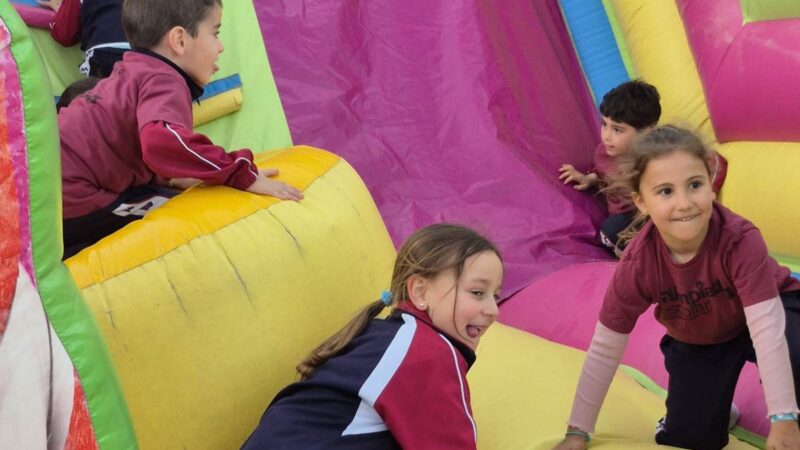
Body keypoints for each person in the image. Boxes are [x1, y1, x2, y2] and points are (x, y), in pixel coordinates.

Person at [553, 125, 800, 450]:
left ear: (711, 184)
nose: (684, 203)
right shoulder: (639, 264)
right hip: (702, 337)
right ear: (641, 202)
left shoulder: (739, 240)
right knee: (690, 438)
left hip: (772, 310)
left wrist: (784, 418)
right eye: (666, 191)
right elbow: (604, 347)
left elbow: (766, 328)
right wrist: (577, 431)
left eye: (694, 185)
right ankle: (713, 408)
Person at [59, 0, 303, 258]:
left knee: (163, 194)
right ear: (179, 40)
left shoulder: (132, 69)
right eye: (215, 33)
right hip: (73, 194)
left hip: (46, 188)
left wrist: (180, 175)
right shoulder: (166, 79)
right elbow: (160, 141)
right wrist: (239, 173)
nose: (220, 47)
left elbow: (125, 148)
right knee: (181, 212)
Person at [241, 223, 503, 449]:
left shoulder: (383, 335)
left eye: (496, 296)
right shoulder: (428, 354)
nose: (493, 310)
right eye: (477, 293)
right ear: (421, 292)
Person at [559, 80, 661, 255]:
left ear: (646, 132)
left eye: (617, 130)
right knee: (610, 231)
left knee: (613, 230)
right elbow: (603, 172)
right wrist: (588, 178)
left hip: (645, 217)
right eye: (604, 124)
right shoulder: (604, 152)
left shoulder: (653, 159)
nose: (606, 136)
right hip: (620, 221)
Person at [38, 0, 130, 77]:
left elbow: (65, 35)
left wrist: (61, 11)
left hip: (101, 54)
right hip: (139, 53)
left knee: (97, 94)